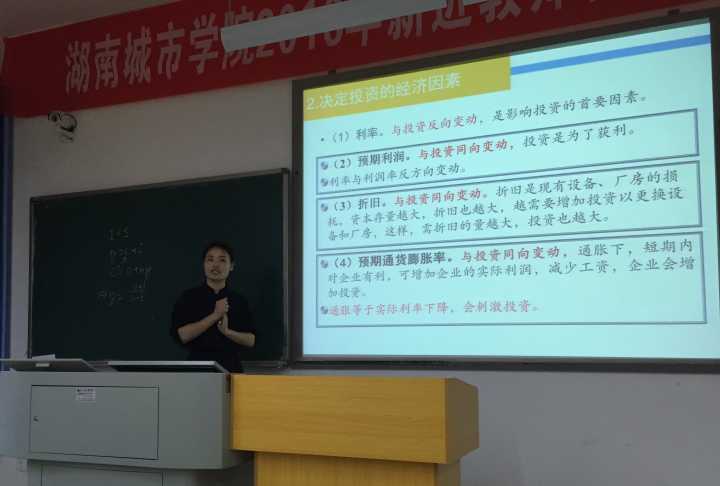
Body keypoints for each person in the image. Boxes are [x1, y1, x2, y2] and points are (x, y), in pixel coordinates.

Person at [172, 241, 255, 372]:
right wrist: (215, 315)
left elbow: (251, 340)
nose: (215, 265)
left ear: (231, 266)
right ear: (204, 264)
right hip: (197, 368)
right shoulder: (189, 297)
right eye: (210, 260)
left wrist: (227, 332)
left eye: (222, 260)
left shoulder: (239, 300)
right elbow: (183, 335)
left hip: (231, 369)